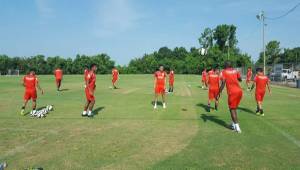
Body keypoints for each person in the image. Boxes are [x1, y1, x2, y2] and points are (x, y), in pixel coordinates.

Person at [217, 61, 243, 133]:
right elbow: (240, 79)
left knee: (232, 109)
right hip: (239, 92)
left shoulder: (223, 72)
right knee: (234, 108)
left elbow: (223, 84)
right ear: (231, 65)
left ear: (225, 66)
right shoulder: (236, 71)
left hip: (232, 93)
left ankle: (237, 128)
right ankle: (233, 123)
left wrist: (218, 93)